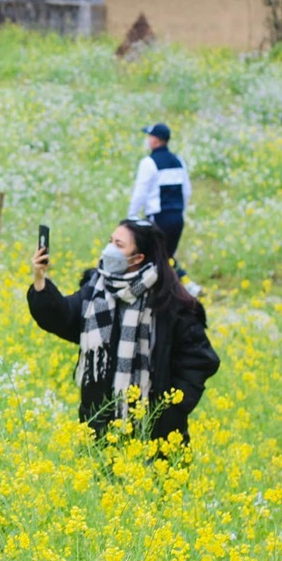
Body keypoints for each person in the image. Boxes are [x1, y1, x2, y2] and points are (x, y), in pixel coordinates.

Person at [28, 219, 220, 445]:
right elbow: (64, 318)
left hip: (156, 434)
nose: (109, 249)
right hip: (100, 425)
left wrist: (170, 408)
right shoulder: (97, 288)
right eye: (110, 241)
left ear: (138, 258)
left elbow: (200, 361)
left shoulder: (172, 305)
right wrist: (40, 279)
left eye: (119, 245)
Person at [128, 123, 200, 295]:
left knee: (155, 258)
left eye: (149, 137)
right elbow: (186, 191)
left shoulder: (149, 163)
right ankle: (186, 287)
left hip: (159, 218)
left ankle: (144, 292)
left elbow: (141, 192)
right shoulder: (178, 161)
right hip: (177, 216)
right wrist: (181, 212)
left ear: (155, 140)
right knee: (167, 256)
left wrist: (131, 216)